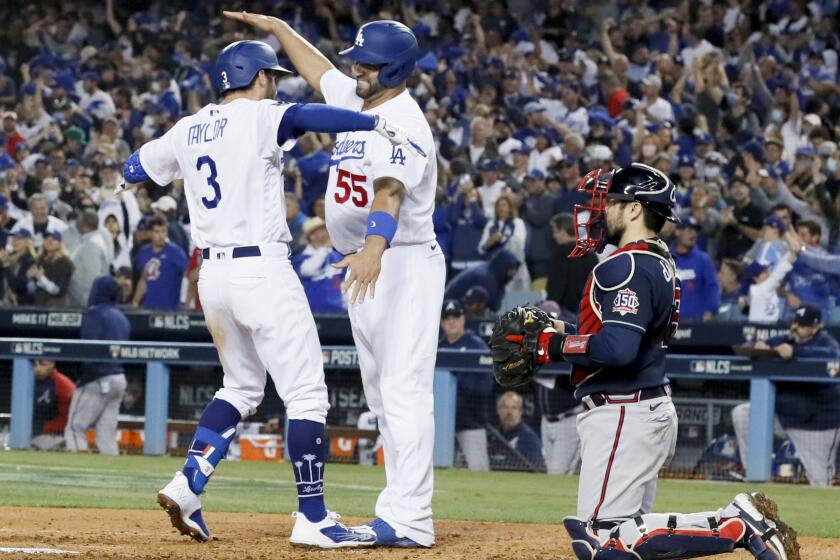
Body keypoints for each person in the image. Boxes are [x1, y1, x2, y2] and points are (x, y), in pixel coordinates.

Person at [125, 36, 414, 546]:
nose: (274, 85)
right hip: (260, 269)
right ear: (258, 77)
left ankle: (188, 484)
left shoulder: (187, 128)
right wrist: (373, 122)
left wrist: (132, 179)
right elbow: (308, 117)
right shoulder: (258, 117)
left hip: (211, 279)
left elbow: (135, 168)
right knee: (305, 394)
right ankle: (314, 518)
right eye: (272, 77)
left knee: (239, 388)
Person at [492, 164, 796, 559]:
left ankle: (735, 522)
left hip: (623, 410)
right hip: (639, 408)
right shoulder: (657, 260)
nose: (599, 212)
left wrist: (554, 345)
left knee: (607, 539)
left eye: (611, 202)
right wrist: (565, 330)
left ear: (634, 209)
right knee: (625, 538)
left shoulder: (626, 264)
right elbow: (625, 333)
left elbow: (619, 349)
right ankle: (736, 522)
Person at [228, 12, 442, 547]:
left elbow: (390, 191)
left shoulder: (404, 119)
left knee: (403, 389)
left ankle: (412, 518)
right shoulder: (358, 100)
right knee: (380, 394)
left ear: (394, 68)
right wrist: (279, 29)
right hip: (365, 262)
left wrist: (373, 248)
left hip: (400, 259)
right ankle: (398, 510)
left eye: (366, 63)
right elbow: (321, 70)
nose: (356, 68)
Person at [732, 306, 840, 488]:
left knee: (821, 483)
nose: (796, 327)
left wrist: (795, 353)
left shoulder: (826, 343)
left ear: (815, 327)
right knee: (743, 414)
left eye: (802, 325)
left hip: (817, 427)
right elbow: (748, 345)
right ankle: (754, 472)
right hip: (785, 418)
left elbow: (832, 356)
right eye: (795, 322)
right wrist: (757, 346)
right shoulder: (788, 339)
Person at [65, 276, 129, 455]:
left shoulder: (94, 313)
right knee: (106, 434)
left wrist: (83, 376)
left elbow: (89, 349)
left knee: (74, 428)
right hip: (119, 378)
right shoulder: (121, 317)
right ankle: (112, 475)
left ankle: (78, 473)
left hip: (98, 377)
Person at [438, 299, 492, 471]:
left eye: (455, 316)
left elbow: (486, 386)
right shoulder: (437, 347)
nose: (451, 321)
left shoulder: (475, 345)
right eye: (447, 318)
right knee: (439, 471)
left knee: (478, 472)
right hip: (441, 424)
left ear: (463, 319)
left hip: (471, 423)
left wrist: (455, 383)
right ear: (441, 322)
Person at [533, 299, 583, 476]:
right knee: (552, 472)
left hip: (568, 419)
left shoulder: (572, 343)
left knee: (558, 473)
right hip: (546, 421)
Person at [545, 213, 597, 323]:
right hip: (588, 311)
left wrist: (550, 309)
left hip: (565, 313)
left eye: (555, 231)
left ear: (563, 232)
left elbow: (557, 284)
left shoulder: (560, 254)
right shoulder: (592, 254)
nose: (554, 236)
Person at [132, 216, 188, 310]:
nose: (161, 235)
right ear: (150, 233)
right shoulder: (144, 252)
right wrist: (135, 302)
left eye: (163, 231)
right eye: (157, 232)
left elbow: (188, 276)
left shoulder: (175, 252)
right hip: (148, 309)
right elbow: (143, 280)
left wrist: (186, 303)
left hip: (170, 311)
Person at [292, 217, 344, 313]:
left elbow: (344, 282)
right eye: (322, 230)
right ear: (311, 236)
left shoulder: (337, 257)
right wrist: (324, 249)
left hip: (339, 311)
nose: (327, 232)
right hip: (311, 312)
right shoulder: (300, 259)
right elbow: (307, 271)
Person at [477, 193, 529, 290]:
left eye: (504, 205)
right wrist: (489, 243)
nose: (501, 208)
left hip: (513, 267)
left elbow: (519, 244)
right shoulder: (491, 224)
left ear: (510, 208)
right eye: (498, 206)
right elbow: (480, 249)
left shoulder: (517, 222)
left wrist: (502, 239)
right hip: (494, 267)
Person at [672, 217, 720, 321]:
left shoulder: (703, 260)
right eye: (689, 230)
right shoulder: (667, 258)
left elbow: (712, 287)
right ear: (677, 232)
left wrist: (711, 310)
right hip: (669, 325)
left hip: (696, 323)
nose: (693, 234)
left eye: (695, 231)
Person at [444, 248, 520, 312]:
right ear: (503, 267)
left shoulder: (492, 273)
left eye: (514, 271)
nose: (512, 274)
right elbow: (477, 309)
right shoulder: (486, 278)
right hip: (449, 311)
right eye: (510, 270)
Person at [488, 391, 545, 472]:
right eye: (505, 407)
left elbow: (537, 467)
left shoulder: (528, 438)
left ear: (520, 412)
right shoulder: (492, 437)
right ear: (498, 410)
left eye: (514, 408)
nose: (509, 412)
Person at [66, 211, 110, 308]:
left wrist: (87, 303)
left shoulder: (92, 245)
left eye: (79, 220)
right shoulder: (89, 241)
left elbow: (92, 277)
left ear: (83, 224)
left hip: (85, 305)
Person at [31, 359, 76, 451]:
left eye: (43, 364)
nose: (38, 368)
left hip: (55, 434)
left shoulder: (63, 384)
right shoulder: (24, 380)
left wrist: (44, 428)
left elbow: (70, 418)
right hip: (29, 431)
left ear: (52, 365)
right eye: (35, 365)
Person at [28, 230, 74, 308]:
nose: (49, 242)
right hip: (38, 304)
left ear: (59, 243)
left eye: (53, 239)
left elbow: (58, 291)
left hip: (55, 306)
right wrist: (29, 279)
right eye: (46, 239)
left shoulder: (65, 263)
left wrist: (41, 278)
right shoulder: (40, 260)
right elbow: (32, 289)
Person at [2, 229, 37, 306]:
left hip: (23, 304)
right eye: (13, 239)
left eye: (18, 239)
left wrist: (6, 265)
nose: (14, 241)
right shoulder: (8, 258)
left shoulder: (30, 261)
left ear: (27, 242)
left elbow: (16, 286)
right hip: (5, 301)